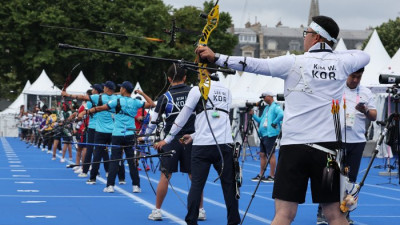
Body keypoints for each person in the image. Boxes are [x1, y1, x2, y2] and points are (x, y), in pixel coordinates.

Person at [196, 15, 370, 225]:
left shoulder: (294, 62)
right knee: (335, 214)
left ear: (315, 37)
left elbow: (253, 64)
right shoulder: (342, 63)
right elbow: (363, 56)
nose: (304, 37)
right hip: (327, 153)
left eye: (306, 33)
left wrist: (216, 58)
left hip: (294, 150)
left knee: (284, 214)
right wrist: (329, 51)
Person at [155, 70, 240, 225]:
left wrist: (167, 139)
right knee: (229, 186)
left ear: (203, 75)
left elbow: (183, 116)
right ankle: (234, 222)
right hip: (224, 145)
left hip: (202, 147)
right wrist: (193, 136)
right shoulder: (227, 91)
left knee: (196, 185)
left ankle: (191, 221)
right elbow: (217, 118)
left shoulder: (197, 89)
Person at [145, 64, 205, 221]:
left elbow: (153, 121)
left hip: (170, 140)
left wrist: (144, 137)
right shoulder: (195, 92)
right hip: (192, 139)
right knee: (195, 176)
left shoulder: (164, 97)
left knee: (165, 175)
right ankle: (200, 210)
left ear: (169, 79)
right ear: (185, 77)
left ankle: (157, 211)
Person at [317, 67, 377, 225]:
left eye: (359, 77)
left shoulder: (366, 92)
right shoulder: (335, 88)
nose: (356, 80)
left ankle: (345, 212)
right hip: (335, 140)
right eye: (353, 76)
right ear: (347, 75)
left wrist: (365, 110)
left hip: (356, 141)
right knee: (329, 176)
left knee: (350, 180)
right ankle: (322, 211)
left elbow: (374, 116)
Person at [86, 81, 154, 193]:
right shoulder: (135, 102)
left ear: (124, 90)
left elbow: (101, 108)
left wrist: (89, 111)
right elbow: (152, 104)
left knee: (114, 160)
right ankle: (136, 186)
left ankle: (110, 186)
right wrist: (142, 93)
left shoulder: (117, 100)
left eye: (121, 87)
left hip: (117, 134)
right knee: (131, 161)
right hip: (130, 135)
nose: (120, 89)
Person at [250, 91, 283, 183]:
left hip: (270, 134)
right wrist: (253, 115)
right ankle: (261, 175)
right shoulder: (267, 108)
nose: (263, 99)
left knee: (270, 154)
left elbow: (281, 114)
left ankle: (272, 175)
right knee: (262, 154)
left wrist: (274, 123)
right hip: (264, 134)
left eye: (264, 97)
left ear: (269, 96)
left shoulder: (275, 106)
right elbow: (261, 120)